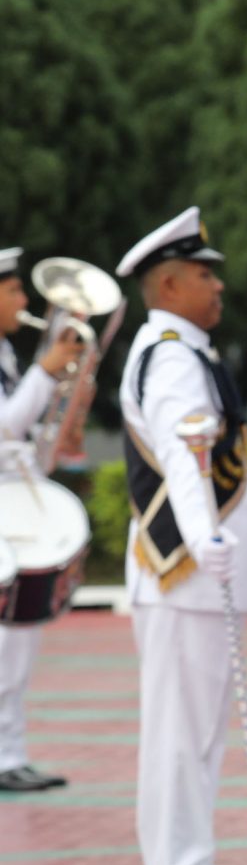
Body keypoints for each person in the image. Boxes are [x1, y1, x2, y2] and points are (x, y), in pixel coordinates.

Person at [114, 207, 247, 865]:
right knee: (184, 737)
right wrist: (204, 535)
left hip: (184, 577)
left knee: (192, 734)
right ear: (171, 282)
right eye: (205, 275)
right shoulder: (175, 358)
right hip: (187, 576)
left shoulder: (178, 350)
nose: (218, 286)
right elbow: (187, 463)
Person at [0, 246, 83, 792]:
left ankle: (11, 751)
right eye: (13, 291)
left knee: (18, 639)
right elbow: (4, 428)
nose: (24, 300)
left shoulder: (4, 354)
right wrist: (44, 372)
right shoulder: (16, 361)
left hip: (13, 503)